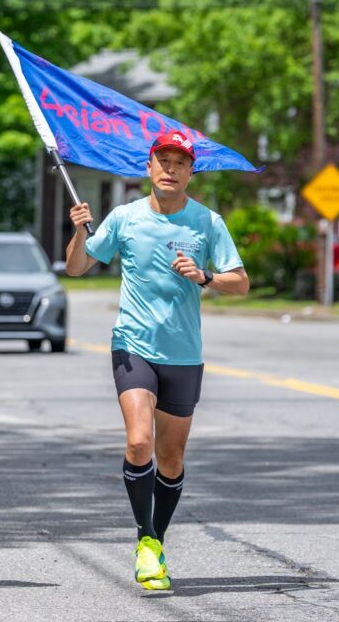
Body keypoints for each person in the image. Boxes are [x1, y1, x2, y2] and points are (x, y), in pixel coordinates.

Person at [64, 131, 249, 591]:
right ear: (149, 167)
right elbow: (78, 266)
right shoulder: (125, 218)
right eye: (162, 160)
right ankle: (146, 538)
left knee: (171, 457)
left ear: (191, 172)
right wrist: (78, 232)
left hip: (184, 354)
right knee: (138, 443)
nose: (170, 168)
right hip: (133, 345)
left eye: (179, 162)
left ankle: (155, 540)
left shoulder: (207, 221)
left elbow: (241, 282)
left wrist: (205, 276)